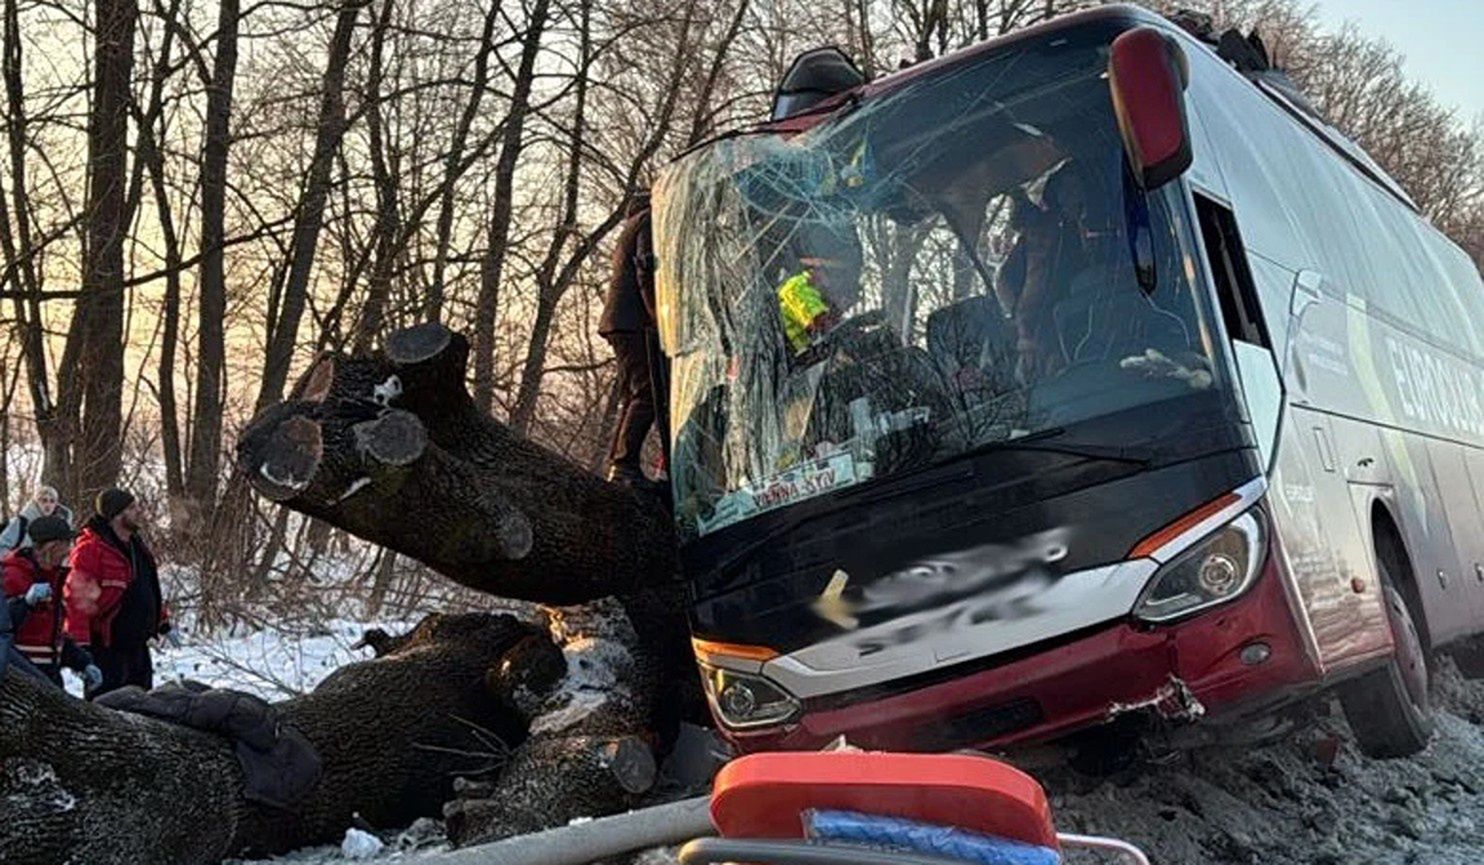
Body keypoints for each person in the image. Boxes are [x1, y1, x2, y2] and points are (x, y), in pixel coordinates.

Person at [65, 488, 171, 698]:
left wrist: (162, 621)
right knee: (108, 707)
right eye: (131, 508)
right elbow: (77, 598)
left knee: (144, 705)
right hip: (107, 647)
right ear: (116, 515)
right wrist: (81, 647)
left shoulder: (137, 545)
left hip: (138, 646)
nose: (138, 511)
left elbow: (146, 587)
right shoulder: (91, 549)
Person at [599, 190, 664, 488]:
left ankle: (618, 465)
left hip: (618, 321)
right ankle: (624, 465)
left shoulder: (628, 227)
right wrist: (657, 316)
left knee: (633, 394)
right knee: (649, 392)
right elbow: (646, 270)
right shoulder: (648, 221)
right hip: (633, 321)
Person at [1, 515, 101, 689]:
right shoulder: (13, 575)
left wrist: (83, 662)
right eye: (65, 544)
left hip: (49, 678)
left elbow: (54, 635)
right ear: (50, 546)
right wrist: (25, 603)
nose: (69, 551)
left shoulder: (54, 577)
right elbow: (4, 627)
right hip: (21, 679)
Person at [0, 485, 74, 552]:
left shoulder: (60, 526)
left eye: (52, 501)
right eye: (44, 500)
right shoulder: (22, 522)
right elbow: (2, 545)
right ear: (36, 502)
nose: (48, 505)